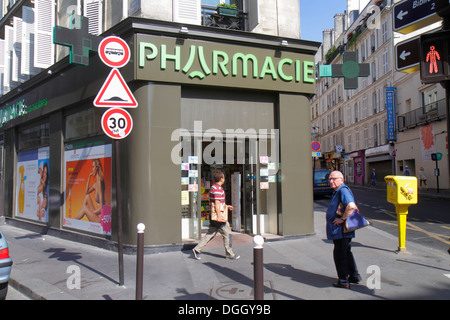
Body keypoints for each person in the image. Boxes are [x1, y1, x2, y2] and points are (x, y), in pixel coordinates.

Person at [192, 171, 240, 260]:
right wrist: (219, 216)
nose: (224, 179)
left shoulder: (213, 187)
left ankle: (196, 249)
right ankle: (229, 253)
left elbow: (217, 202)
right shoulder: (218, 189)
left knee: (210, 234)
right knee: (227, 233)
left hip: (213, 216)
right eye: (224, 178)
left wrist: (226, 206)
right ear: (221, 179)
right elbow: (217, 204)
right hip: (218, 217)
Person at [326, 171, 361, 289]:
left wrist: (342, 219)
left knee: (340, 254)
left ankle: (343, 281)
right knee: (346, 251)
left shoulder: (343, 190)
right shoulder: (339, 190)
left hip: (341, 230)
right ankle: (354, 276)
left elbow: (351, 206)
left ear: (341, 179)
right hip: (343, 230)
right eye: (330, 179)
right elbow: (352, 206)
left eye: (334, 179)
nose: (331, 181)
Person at [74, 159, 105, 223]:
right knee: (87, 197)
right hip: (95, 215)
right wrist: (89, 177)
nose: (92, 169)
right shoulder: (95, 184)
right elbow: (86, 192)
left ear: (97, 168)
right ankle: (78, 217)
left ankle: (72, 222)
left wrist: (90, 212)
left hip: (99, 219)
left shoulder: (99, 183)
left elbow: (101, 208)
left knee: (85, 209)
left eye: (93, 167)